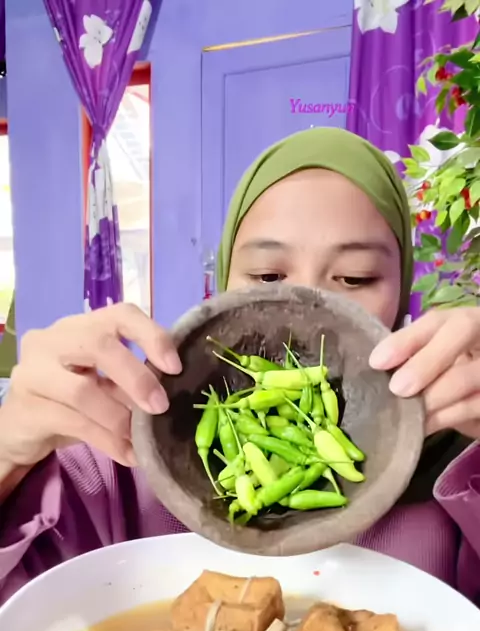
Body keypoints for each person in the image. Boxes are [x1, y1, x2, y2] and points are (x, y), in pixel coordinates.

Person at [1, 127, 480, 606]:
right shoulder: (116, 451)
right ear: (224, 281)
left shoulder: (459, 464)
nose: (304, 307)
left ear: (401, 291)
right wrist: (8, 452)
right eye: (268, 275)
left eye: (355, 277)